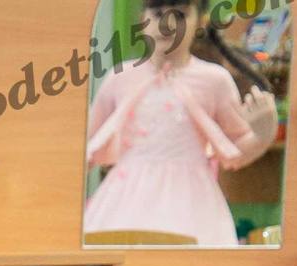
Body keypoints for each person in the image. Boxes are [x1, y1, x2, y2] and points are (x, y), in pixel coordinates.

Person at [82, 0, 281, 247]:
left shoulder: (214, 80)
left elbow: (236, 150)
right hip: (123, 199)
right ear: (141, 20)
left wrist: (263, 135)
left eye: (181, 15)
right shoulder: (119, 77)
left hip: (192, 202)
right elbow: (85, 149)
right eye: (157, 14)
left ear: (201, 22)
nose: (167, 25)